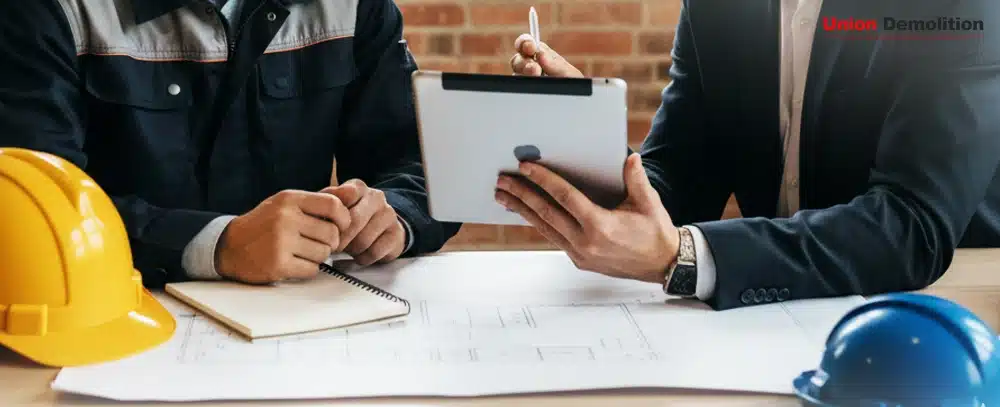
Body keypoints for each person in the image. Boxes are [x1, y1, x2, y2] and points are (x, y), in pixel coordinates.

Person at [501, 0, 1000, 310]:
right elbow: (681, 178)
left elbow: (910, 226)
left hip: (942, 308)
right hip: (773, 310)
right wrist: (593, 151)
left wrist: (684, 256)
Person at [0, 0, 460, 287]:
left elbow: (421, 161)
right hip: (117, 317)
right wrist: (215, 245)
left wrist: (396, 215)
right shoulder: (43, 10)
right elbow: (30, 216)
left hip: (302, 324)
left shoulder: (355, 5)